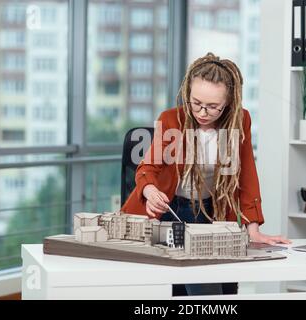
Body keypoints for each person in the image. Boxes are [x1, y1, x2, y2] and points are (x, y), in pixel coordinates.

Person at [121, 52, 290, 296]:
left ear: (229, 102)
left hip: (216, 211)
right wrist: (149, 190)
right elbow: (148, 168)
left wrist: (252, 228)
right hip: (175, 212)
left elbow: (247, 175)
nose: (202, 112)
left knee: (227, 287)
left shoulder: (239, 120)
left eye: (213, 107)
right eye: (196, 102)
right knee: (206, 291)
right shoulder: (171, 120)